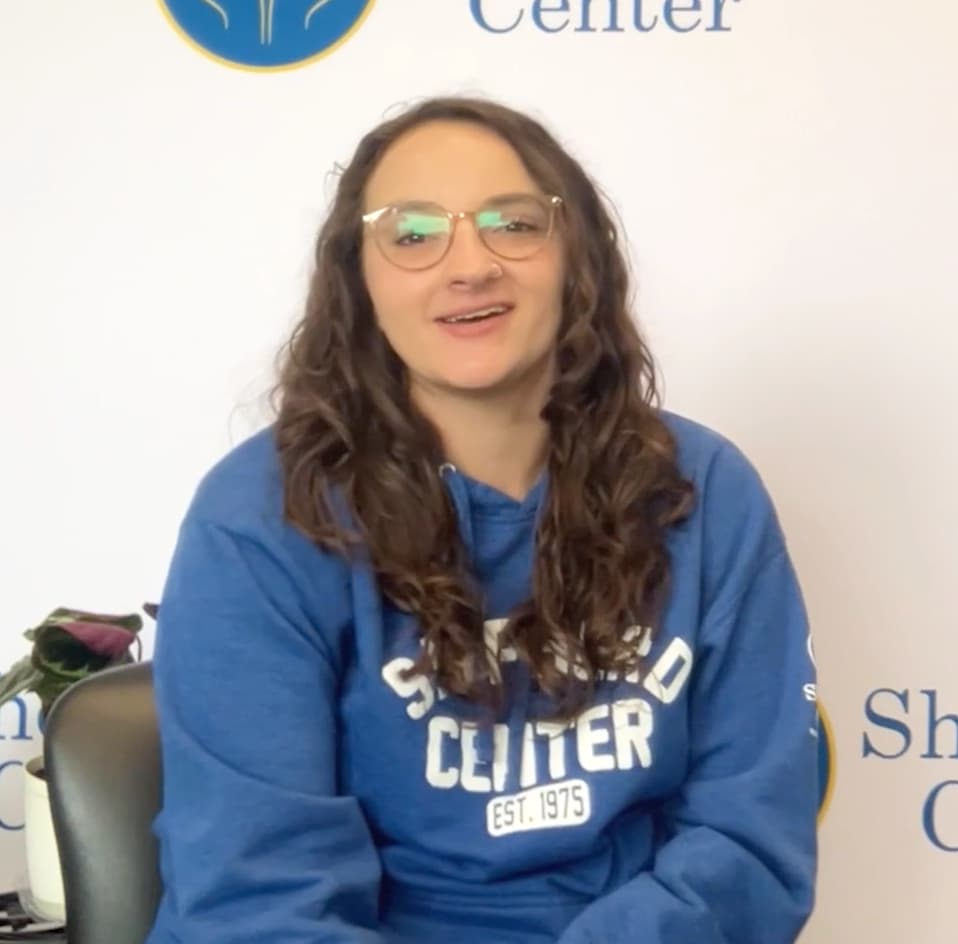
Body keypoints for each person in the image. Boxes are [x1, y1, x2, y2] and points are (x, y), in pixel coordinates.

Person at [145, 96, 821, 943]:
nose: (470, 266)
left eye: (514, 223)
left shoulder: (706, 492)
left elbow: (750, 842)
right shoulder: (261, 520)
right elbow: (258, 897)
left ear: (578, 257)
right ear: (360, 279)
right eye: (414, 233)